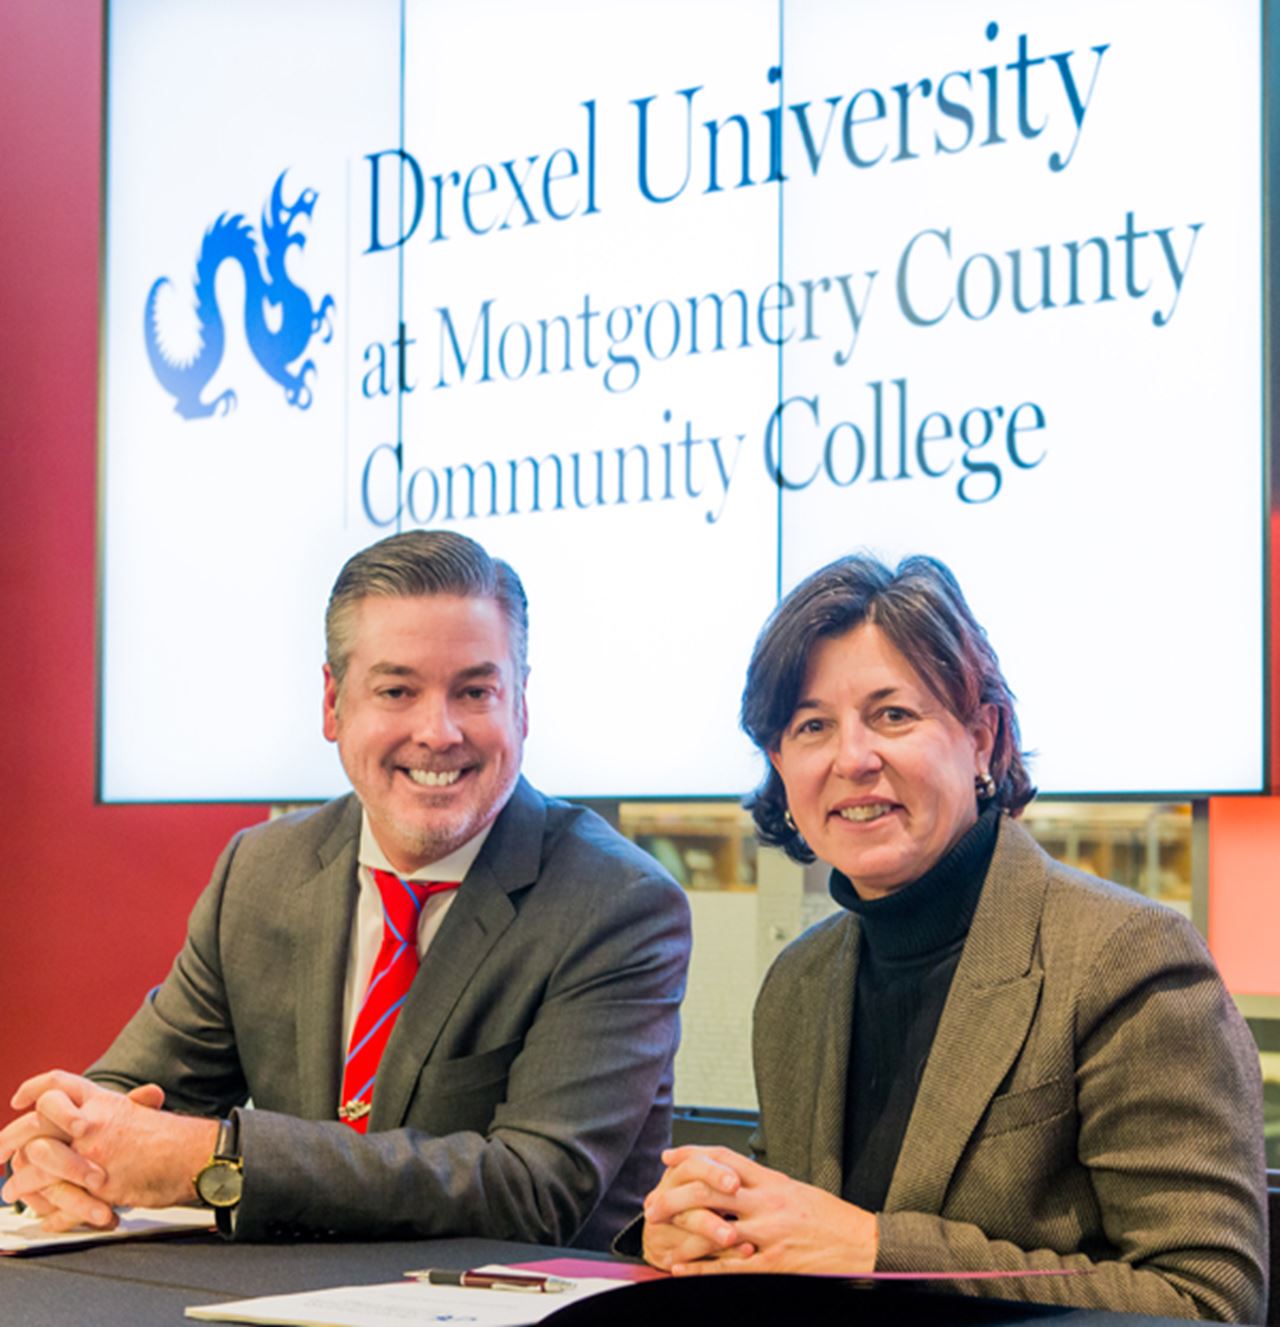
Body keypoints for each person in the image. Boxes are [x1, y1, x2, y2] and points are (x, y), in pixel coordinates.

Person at [0, 530, 691, 1249]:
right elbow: (136, 1093)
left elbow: (532, 1186)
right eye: (397, 690)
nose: (438, 730)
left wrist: (214, 1159)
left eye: (475, 691)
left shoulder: (616, 902)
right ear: (333, 704)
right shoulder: (262, 871)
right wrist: (70, 1141)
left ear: (520, 707)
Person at [639, 554, 1267, 1322]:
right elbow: (799, 1247)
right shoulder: (797, 984)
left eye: (892, 714)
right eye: (812, 726)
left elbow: (1205, 1300)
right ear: (780, 767)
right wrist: (714, 1232)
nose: (852, 757)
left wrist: (875, 1248)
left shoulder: (1125, 958)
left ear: (982, 736)